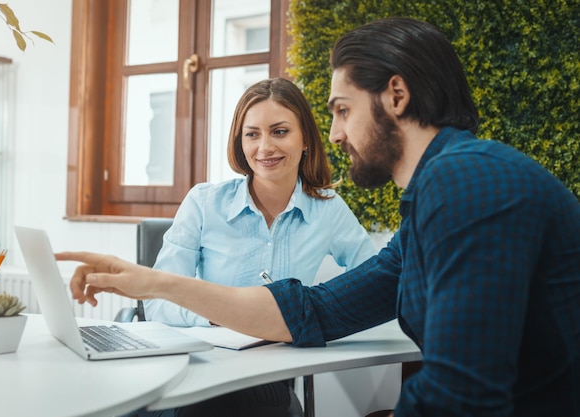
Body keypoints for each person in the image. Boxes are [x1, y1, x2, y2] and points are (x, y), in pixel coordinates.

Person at [58, 17, 580, 417]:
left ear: (396, 96)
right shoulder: (436, 196)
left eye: (342, 110)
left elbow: (461, 396)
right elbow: (317, 310)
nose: (335, 133)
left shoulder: (463, 182)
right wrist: (153, 283)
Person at [144, 77, 376, 328]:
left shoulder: (327, 208)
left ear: (305, 139)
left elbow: (375, 280)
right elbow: (159, 300)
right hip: (215, 358)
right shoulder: (203, 203)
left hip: (287, 360)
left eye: (280, 132)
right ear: (240, 142)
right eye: (252, 134)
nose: (265, 147)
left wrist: (320, 311)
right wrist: (216, 317)